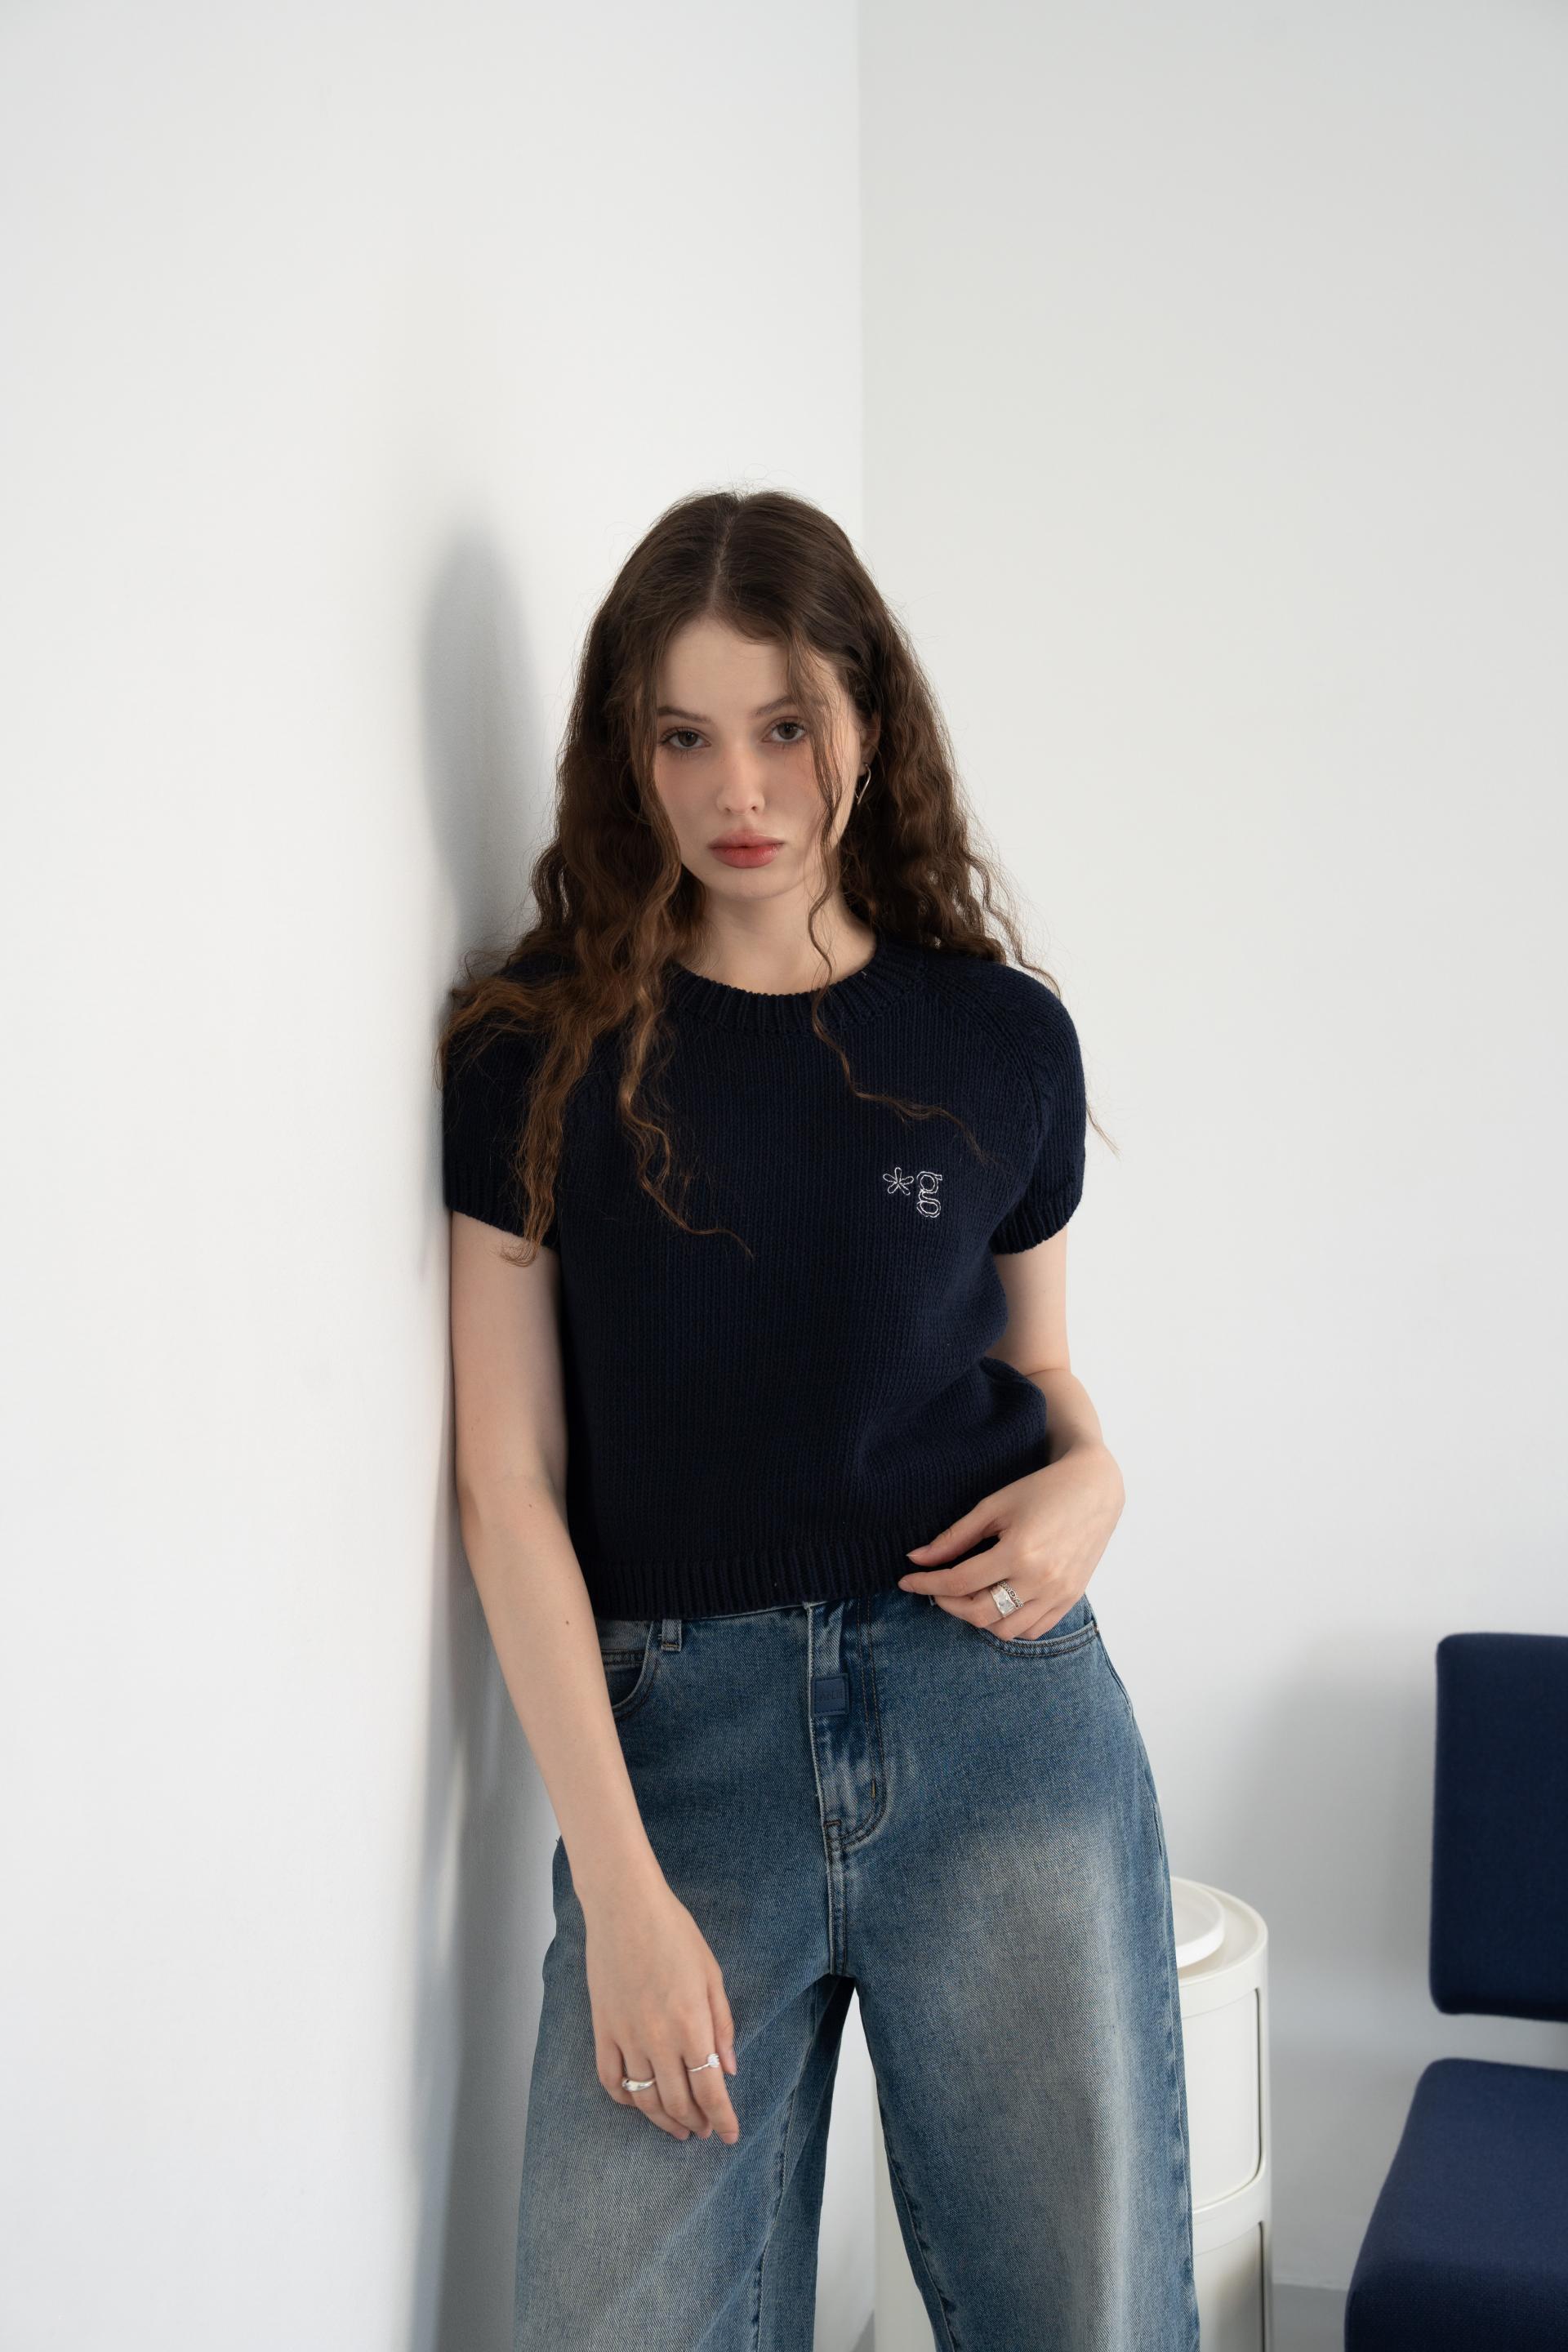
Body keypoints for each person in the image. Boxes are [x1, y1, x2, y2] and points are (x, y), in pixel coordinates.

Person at [437, 488, 1199, 2350]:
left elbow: (1043, 1377)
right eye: (683, 737)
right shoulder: (536, 1052)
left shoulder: (997, 1038)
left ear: (870, 716)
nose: (740, 790)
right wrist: (620, 1889)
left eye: (786, 725)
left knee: (1082, 2316)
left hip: (995, 1713)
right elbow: (507, 1483)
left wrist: (1099, 1474)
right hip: (678, 1754)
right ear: (625, 753)